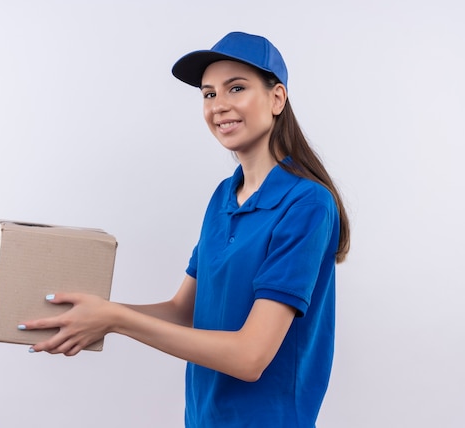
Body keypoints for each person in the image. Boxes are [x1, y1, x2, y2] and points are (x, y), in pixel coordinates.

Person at [19, 31, 350, 427]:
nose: (220, 106)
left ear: (277, 98)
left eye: (236, 88)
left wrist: (114, 319)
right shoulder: (224, 197)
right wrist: (93, 313)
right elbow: (182, 311)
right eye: (209, 94)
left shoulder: (307, 204)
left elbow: (250, 357)